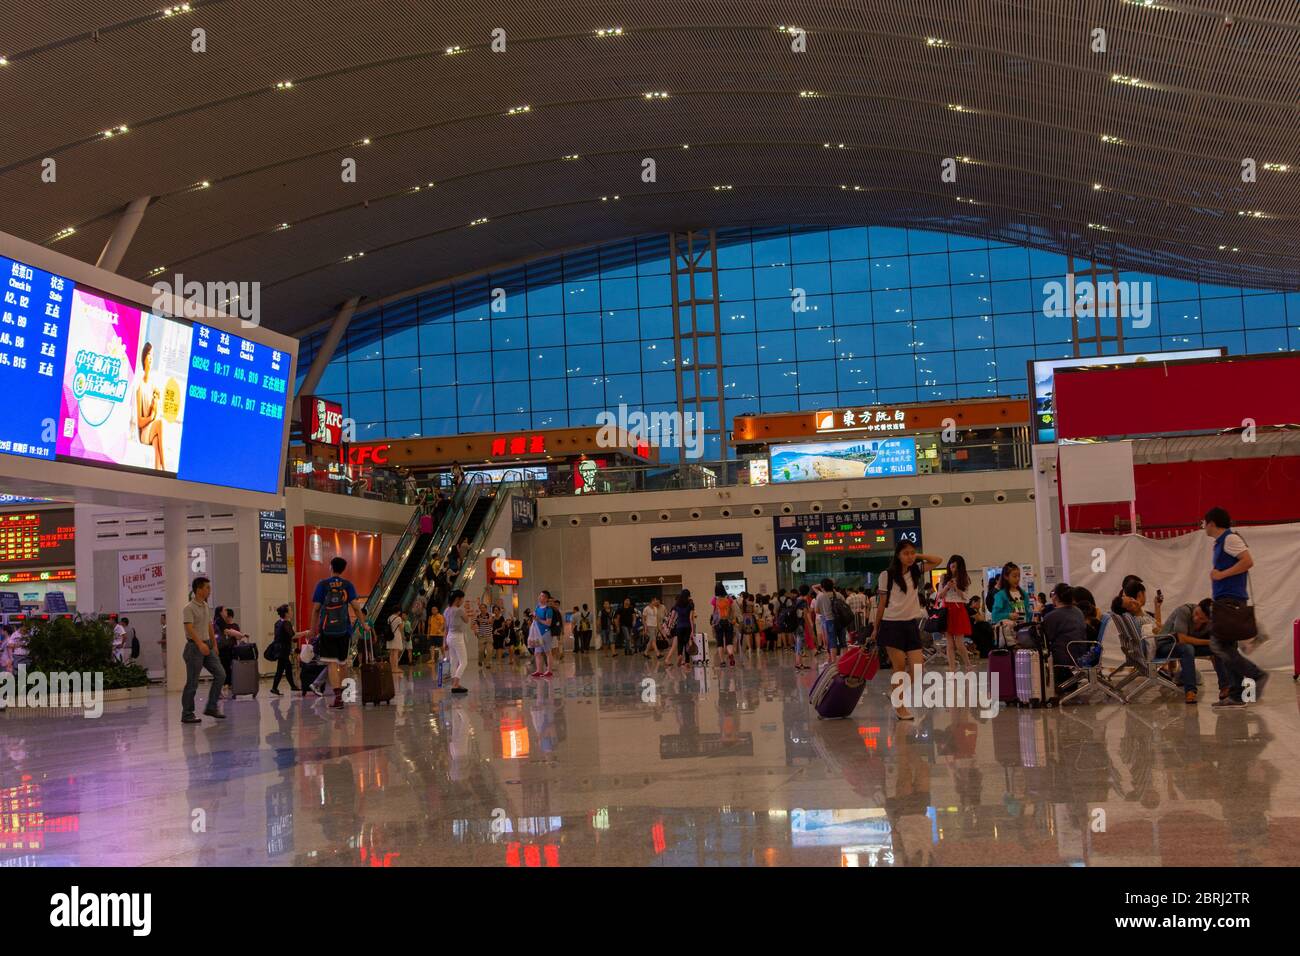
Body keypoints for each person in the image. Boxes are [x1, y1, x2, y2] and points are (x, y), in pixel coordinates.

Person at [1203, 507, 1268, 707]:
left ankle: (1256, 675)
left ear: (1212, 523)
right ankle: (1236, 695)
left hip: (1230, 601)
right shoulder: (1221, 543)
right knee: (1227, 647)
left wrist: (1222, 575)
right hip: (1226, 601)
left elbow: (1248, 561)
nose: (1203, 526)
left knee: (1217, 645)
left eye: (1205, 522)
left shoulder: (1230, 539)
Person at [872, 541, 944, 720]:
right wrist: (875, 627)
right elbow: (882, 604)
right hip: (891, 624)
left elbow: (938, 560)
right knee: (899, 668)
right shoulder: (886, 575)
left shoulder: (915, 570)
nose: (910, 556)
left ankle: (895, 693)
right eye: (906, 553)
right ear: (898, 555)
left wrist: (917, 556)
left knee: (918, 668)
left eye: (912, 553)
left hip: (910, 624)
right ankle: (900, 707)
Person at [310, 556, 367, 709]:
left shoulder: (322, 585)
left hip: (327, 630)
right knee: (342, 664)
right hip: (344, 630)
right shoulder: (348, 585)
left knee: (331, 663)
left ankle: (337, 698)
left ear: (330, 567)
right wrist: (363, 624)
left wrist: (312, 629)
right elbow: (356, 606)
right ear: (343, 569)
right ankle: (343, 694)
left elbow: (316, 609)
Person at [180, 576, 225, 723]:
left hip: (208, 645)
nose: (209, 591)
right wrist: (200, 644)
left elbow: (209, 625)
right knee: (193, 682)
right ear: (199, 589)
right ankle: (187, 714)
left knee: (221, 674)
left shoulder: (205, 606)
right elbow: (189, 627)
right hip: (194, 647)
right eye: (207, 588)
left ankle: (211, 707)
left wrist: (214, 644)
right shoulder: (189, 608)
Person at [1156, 598, 1214, 704]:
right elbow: (1182, 639)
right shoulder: (1184, 611)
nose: (1197, 619)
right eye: (1196, 613)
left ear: (1208, 620)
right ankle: (1190, 691)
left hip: (1185, 647)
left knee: (1218, 648)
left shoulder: (1211, 622)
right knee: (1187, 648)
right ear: (1197, 606)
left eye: (1202, 619)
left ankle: (1226, 687)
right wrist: (1208, 642)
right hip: (1164, 646)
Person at [1040, 583, 1087, 688]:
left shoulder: (1052, 616)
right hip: (1080, 653)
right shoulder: (1078, 611)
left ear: (1055, 597)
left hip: (1065, 657)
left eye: (1052, 593)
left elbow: (1044, 639)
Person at [134, 341, 167, 470]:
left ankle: (159, 473)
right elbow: (139, 422)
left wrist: (156, 404)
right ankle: (166, 470)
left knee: (157, 442)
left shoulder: (154, 385)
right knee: (160, 424)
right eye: (149, 354)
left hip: (152, 430)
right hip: (143, 434)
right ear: (144, 358)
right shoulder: (140, 387)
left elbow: (156, 413)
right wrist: (151, 417)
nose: (151, 358)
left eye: (153, 355)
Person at [938, 556, 974, 670]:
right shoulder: (944, 577)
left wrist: (956, 588)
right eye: (952, 566)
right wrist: (947, 587)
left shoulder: (965, 579)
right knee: (949, 643)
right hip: (946, 609)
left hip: (959, 609)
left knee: (959, 643)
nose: (953, 569)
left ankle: (967, 664)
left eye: (956, 567)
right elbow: (939, 596)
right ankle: (952, 668)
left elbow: (966, 598)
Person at [443, 590, 470, 694]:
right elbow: (467, 620)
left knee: (453, 661)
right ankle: (456, 684)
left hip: (449, 636)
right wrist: (466, 610)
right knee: (464, 662)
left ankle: (454, 684)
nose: (463, 601)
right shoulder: (459, 610)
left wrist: (444, 642)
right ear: (458, 599)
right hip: (457, 637)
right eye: (462, 599)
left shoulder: (446, 610)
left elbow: (445, 627)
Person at [270, 604, 300, 695]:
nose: (292, 612)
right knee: (281, 669)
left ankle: (292, 686)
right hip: (283, 650)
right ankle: (274, 688)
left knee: (287, 668)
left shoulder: (277, 623)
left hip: (279, 650)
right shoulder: (286, 623)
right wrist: (305, 633)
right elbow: (293, 636)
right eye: (290, 610)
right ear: (286, 613)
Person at [528, 590, 557, 679]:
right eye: (540, 596)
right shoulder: (537, 607)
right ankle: (539, 670)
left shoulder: (548, 610)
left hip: (545, 633)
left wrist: (538, 619)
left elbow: (548, 623)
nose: (540, 597)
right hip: (537, 633)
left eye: (543, 596)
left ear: (547, 599)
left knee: (548, 652)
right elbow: (535, 618)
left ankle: (549, 670)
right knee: (537, 653)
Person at [664, 589, 696, 667]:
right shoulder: (690, 604)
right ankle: (687, 662)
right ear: (688, 596)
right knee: (687, 643)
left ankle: (679, 655)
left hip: (679, 627)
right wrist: (692, 630)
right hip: (687, 626)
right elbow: (691, 618)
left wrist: (669, 627)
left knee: (680, 643)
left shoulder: (677, 604)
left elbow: (672, 617)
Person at [814, 579, 840, 665]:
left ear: (822, 587)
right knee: (843, 641)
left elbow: (817, 611)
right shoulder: (838, 594)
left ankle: (833, 662)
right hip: (840, 620)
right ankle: (843, 661)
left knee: (832, 641)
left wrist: (825, 611)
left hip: (829, 620)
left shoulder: (821, 596)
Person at [712, 584, 738, 667]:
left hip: (718, 623)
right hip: (728, 622)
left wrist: (713, 622)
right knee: (729, 641)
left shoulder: (714, 600)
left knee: (719, 643)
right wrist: (733, 620)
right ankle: (730, 653)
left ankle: (722, 661)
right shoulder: (729, 599)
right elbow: (733, 610)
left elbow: (714, 612)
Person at [388, 608, 410, 677]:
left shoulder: (389, 618)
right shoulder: (398, 618)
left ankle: (392, 668)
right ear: (398, 611)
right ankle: (396, 668)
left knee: (391, 653)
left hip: (389, 636)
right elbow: (401, 629)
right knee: (396, 652)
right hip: (396, 636)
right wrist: (403, 637)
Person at [474, 600, 494, 667]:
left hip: (489, 636)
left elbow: (490, 621)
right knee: (481, 651)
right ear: (480, 609)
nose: (482, 609)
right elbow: (475, 624)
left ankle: (487, 662)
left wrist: (482, 620)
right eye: (481, 608)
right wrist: (476, 631)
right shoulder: (477, 616)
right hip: (481, 636)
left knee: (490, 650)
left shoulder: (489, 615)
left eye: (484, 608)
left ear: (486, 608)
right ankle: (480, 660)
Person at [427, 602, 446, 667]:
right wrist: (428, 633)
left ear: (437, 610)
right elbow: (429, 626)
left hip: (439, 635)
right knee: (432, 646)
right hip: (432, 634)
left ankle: (444, 657)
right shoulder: (431, 617)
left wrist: (440, 630)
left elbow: (443, 624)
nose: (433, 610)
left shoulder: (440, 616)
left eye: (435, 609)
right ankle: (432, 659)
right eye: (432, 609)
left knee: (441, 647)